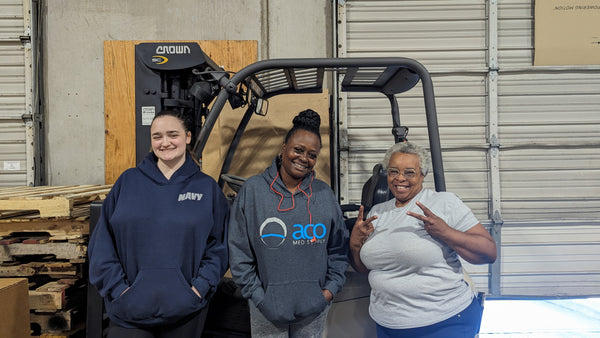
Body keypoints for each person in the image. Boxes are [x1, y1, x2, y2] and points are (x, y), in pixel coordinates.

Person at [88, 109, 229, 337]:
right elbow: (102, 244)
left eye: (173, 134)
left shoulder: (206, 189)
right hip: (129, 310)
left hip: (185, 310)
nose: (165, 143)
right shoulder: (128, 183)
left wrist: (198, 289)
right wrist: (119, 290)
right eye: (157, 136)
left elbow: (219, 248)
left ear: (188, 137)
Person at [350, 141, 497, 338]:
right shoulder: (378, 212)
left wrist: (445, 232)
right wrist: (355, 243)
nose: (400, 178)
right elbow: (365, 268)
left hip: (445, 321)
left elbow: (488, 252)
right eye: (394, 172)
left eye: (409, 172)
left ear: (422, 174)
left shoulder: (444, 203)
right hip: (388, 324)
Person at [228, 109, 349, 337]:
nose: (304, 159)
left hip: (313, 310)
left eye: (312, 155)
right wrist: (259, 297)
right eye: (298, 150)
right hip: (267, 310)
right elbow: (239, 251)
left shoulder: (324, 194)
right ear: (283, 147)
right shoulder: (253, 191)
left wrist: (327, 293)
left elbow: (338, 250)